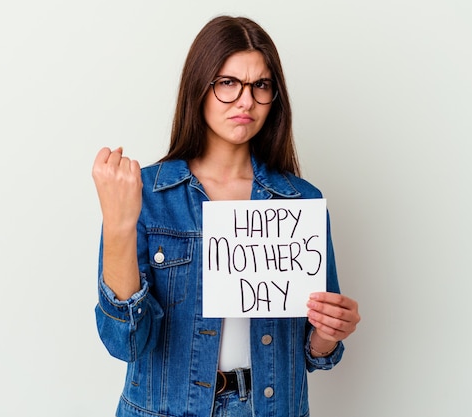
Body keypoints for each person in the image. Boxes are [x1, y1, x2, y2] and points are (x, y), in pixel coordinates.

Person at [92, 15, 360, 417]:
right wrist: (118, 225)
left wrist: (328, 333)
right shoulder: (146, 194)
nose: (246, 101)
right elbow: (125, 341)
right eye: (228, 83)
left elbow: (313, 351)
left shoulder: (301, 203)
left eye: (261, 85)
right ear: (199, 87)